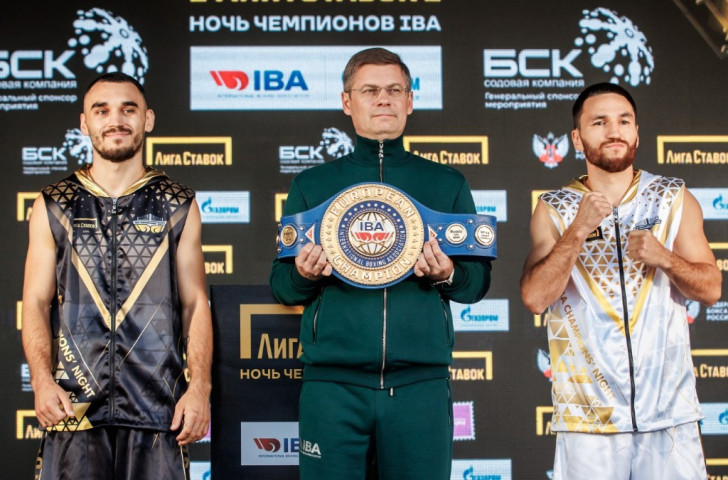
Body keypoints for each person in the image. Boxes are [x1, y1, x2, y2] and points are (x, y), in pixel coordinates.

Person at [269, 47, 491, 479]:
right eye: (370, 90)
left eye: (394, 90)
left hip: (419, 387)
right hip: (332, 388)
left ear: (410, 101)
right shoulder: (312, 185)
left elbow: (476, 283)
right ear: (347, 102)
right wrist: (303, 273)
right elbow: (281, 285)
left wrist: (448, 274)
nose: (383, 99)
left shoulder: (446, 183)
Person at [520, 82, 721, 480]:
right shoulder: (554, 208)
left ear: (636, 131)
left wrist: (663, 256)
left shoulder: (673, 196)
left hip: (669, 413)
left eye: (623, 120)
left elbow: (711, 289)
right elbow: (535, 298)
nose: (614, 130)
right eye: (599, 122)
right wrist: (577, 231)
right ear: (577, 138)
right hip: (587, 418)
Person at [21, 72, 212, 479]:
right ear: (84, 123)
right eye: (101, 110)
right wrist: (40, 380)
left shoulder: (178, 204)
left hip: (157, 408)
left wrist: (199, 389)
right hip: (74, 407)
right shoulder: (55, 203)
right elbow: (36, 302)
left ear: (148, 119)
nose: (116, 119)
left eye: (129, 109)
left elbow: (195, 303)